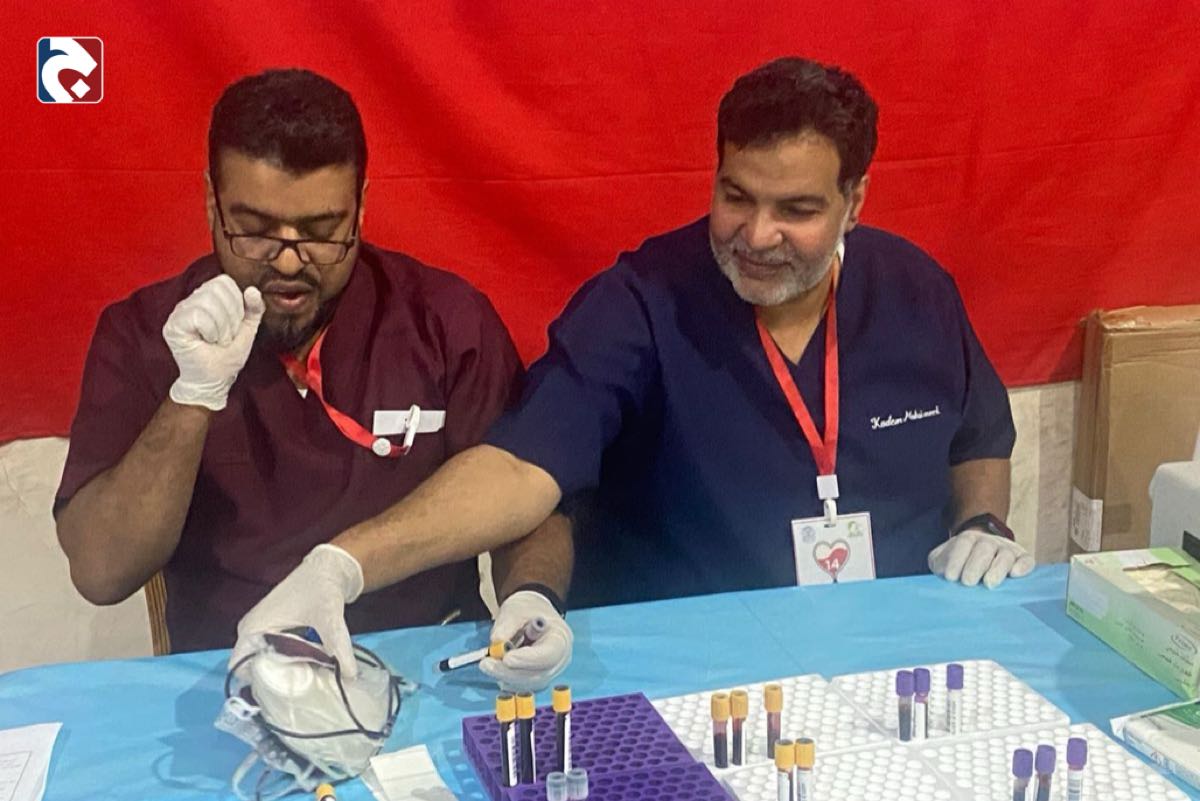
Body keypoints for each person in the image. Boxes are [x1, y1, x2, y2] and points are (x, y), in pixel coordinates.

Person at [233, 57, 1033, 657]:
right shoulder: (642, 301)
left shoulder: (916, 289)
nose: (757, 235)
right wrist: (342, 564)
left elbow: (979, 435)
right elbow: (520, 468)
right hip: (692, 666)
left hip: (895, 653)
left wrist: (983, 522)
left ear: (854, 201)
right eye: (736, 196)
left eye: (796, 210)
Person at [55, 68, 572, 690]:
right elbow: (101, 572)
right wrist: (190, 398)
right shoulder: (143, 335)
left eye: (323, 232)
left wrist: (532, 596)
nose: (289, 260)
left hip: (427, 667)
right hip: (231, 679)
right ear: (212, 203)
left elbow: (528, 495)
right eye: (255, 230)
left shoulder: (445, 321)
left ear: (361, 208)